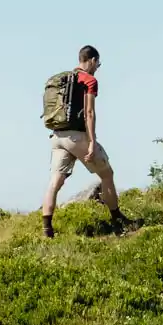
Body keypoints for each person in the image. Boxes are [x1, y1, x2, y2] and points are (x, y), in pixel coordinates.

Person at [41, 45, 129, 238]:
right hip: (76, 136)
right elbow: (89, 113)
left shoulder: (63, 80)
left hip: (57, 136)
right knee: (107, 174)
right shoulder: (89, 81)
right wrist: (91, 141)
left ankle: (47, 229)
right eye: (98, 64)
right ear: (93, 60)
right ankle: (117, 222)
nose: (97, 68)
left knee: (55, 182)